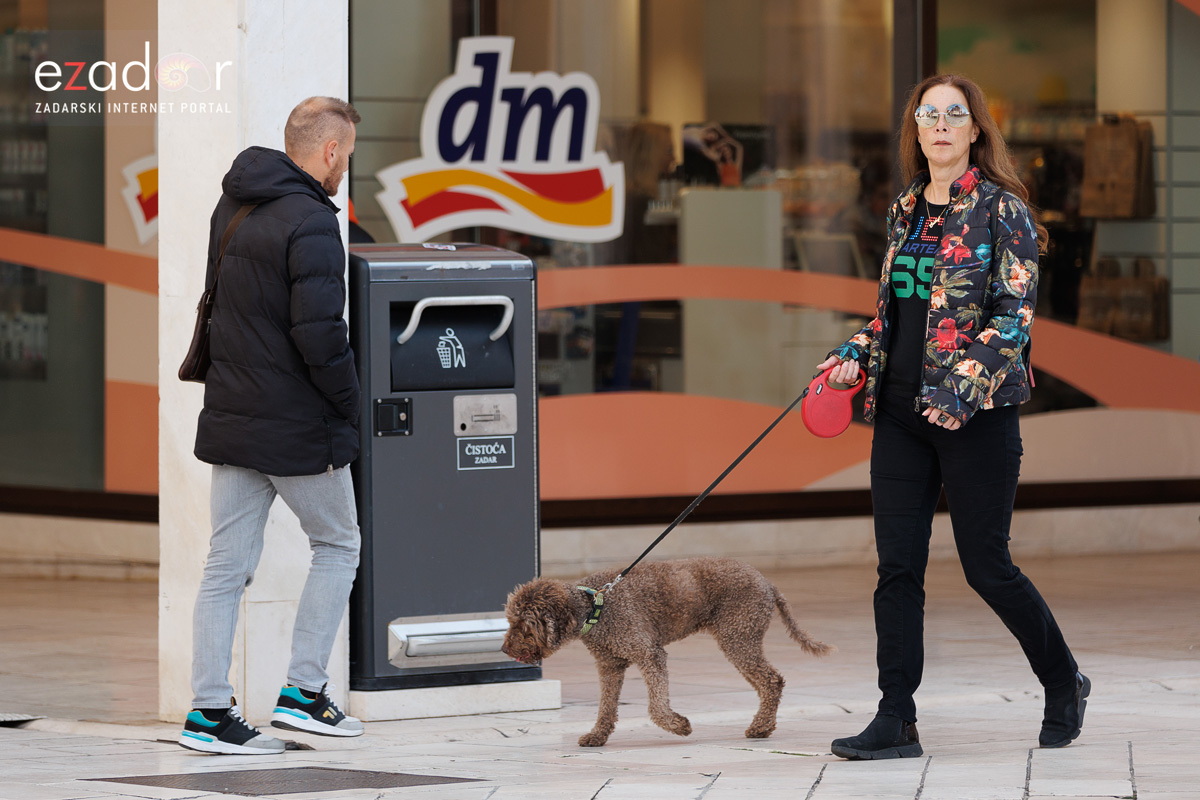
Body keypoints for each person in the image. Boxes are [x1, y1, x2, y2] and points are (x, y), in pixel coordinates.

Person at [817, 74, 1089, 760]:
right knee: (896, 571)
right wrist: (852, 354)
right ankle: (894, 718)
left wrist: (958, 393)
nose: (940, 124)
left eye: (954, 114)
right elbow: (893, 317)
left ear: (975, 132)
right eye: (928, 114)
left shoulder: (1005, 213)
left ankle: (1063, 682)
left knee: (987, 566)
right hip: (901, 417)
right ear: (916, 131)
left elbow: (1012, 321)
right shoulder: (905, 209)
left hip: (977, 417)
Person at [179, 97, 365, 755]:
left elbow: (220, 307)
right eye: (348, 154)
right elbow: (321, 336)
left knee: (225, 565)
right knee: (339, 544)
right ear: (331, 150)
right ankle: (303, 694)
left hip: (233, 416)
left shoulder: (235, 205)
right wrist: (352, 406)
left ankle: (206, 713)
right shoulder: (312, 221)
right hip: (293, 426)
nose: (346, 167)